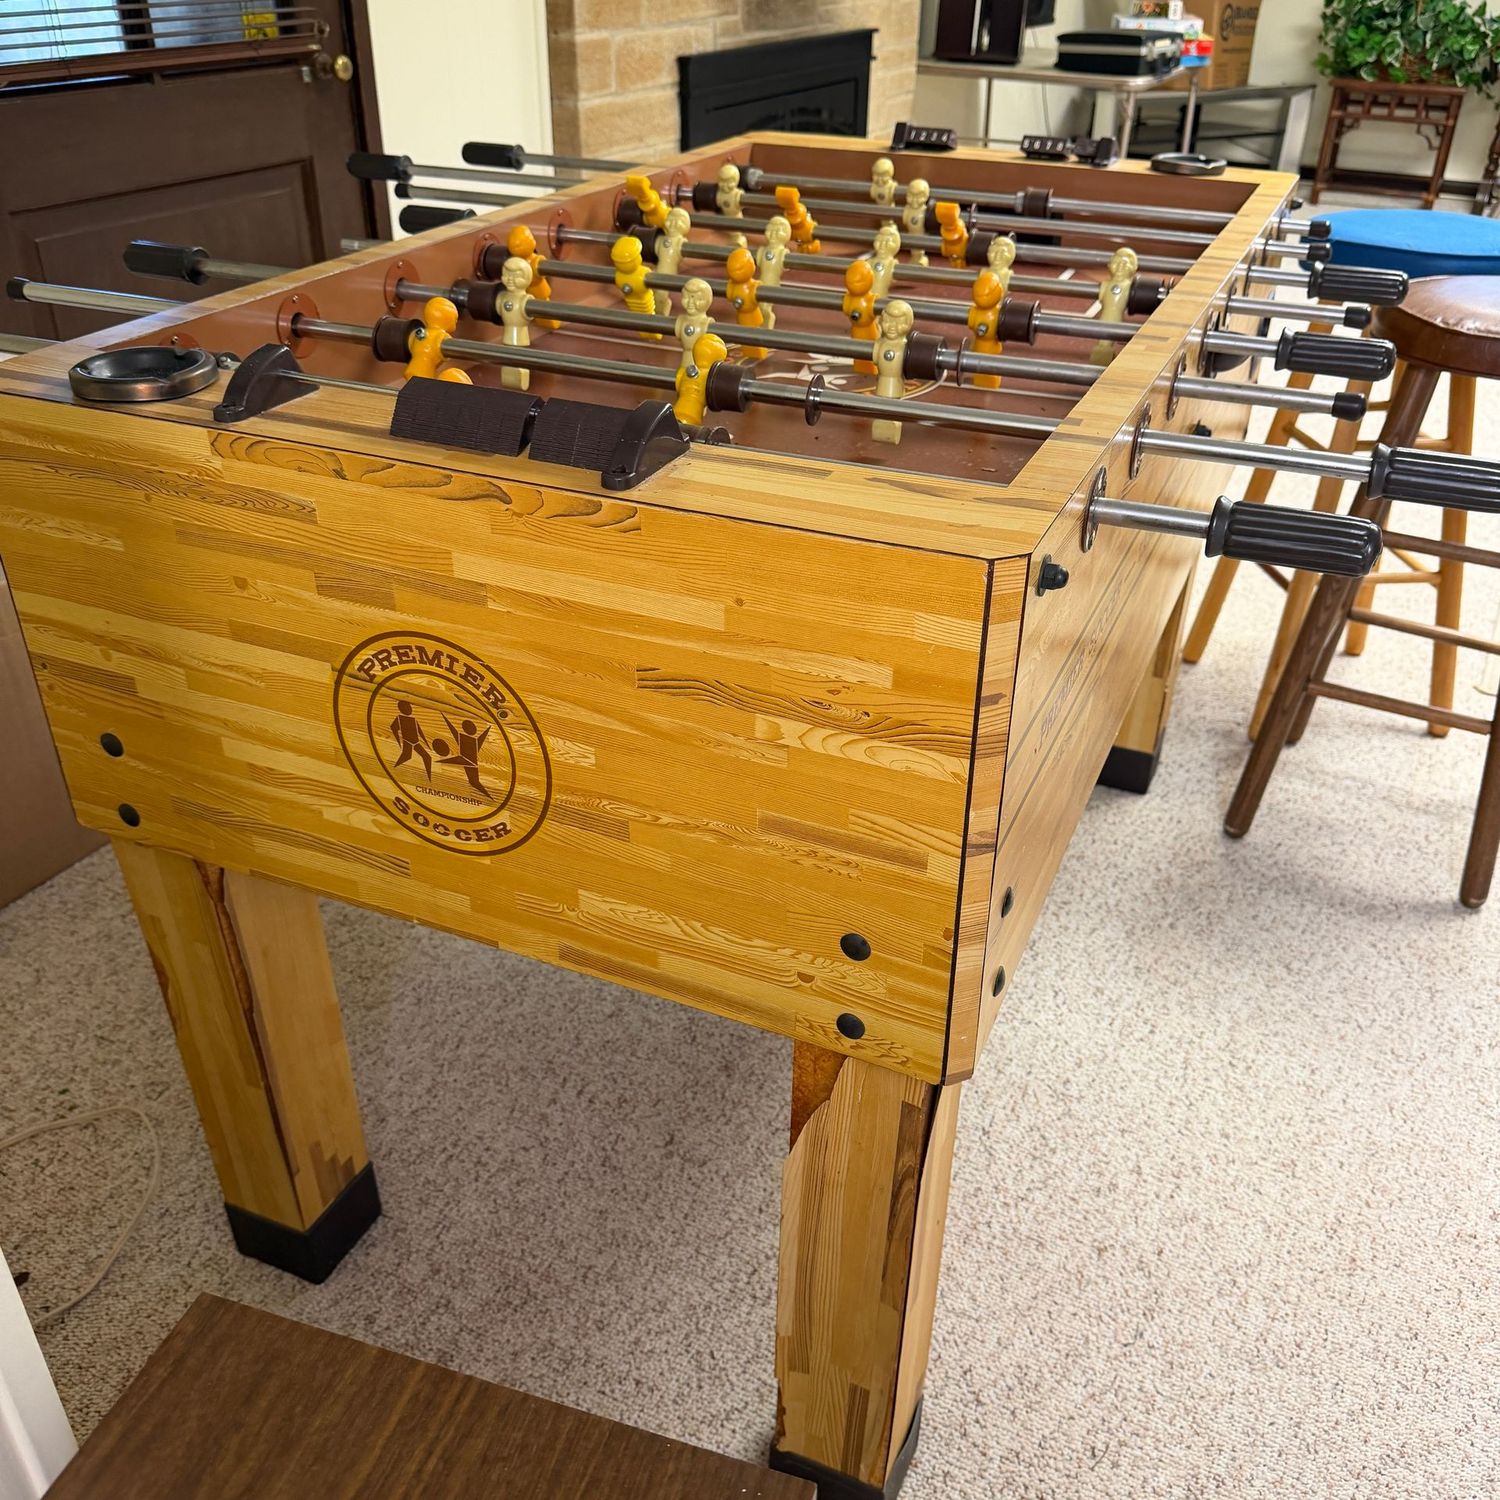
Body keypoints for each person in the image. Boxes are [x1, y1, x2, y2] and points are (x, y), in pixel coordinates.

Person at [438, 713, 491, 797]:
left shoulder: (469, 739)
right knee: (473, 781)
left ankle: (484, 794)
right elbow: (454, 732)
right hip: (468, 762)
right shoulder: (463, 737)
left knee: (474, 781)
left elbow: (454, 732)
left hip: (470, 762)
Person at [389, 700, 432, 778]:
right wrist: (398, 741)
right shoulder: (399, 718)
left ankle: (429, 777)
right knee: (406, 756)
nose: (410, 709)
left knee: (427, 757)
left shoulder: (414, 719)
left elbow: (420, 733)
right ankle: (392, 771)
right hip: (407, 742)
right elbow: (393, 728)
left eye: (410, 707)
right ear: (401, 709)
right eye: (408, 707)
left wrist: (427, 744)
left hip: (416, 742)